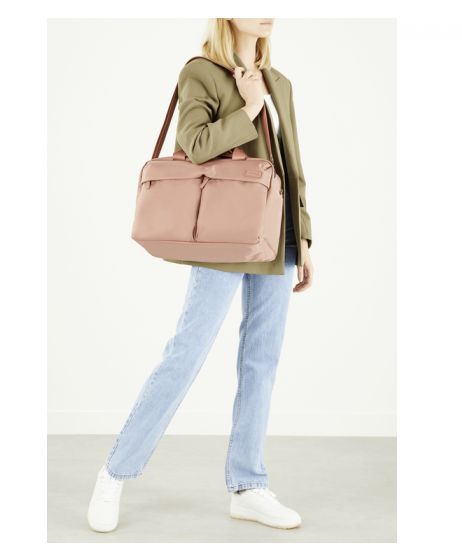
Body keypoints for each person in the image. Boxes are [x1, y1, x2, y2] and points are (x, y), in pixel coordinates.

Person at [88, 18, 315, 532]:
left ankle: (248, 485)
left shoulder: (280, 82)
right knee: (186, 354)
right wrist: (248, 109)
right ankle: (115, 471)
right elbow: (193, 143)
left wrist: (303, 237)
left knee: (261, 361)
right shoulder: (202, 72)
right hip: (223, 235)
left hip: (276, 235)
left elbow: (293, 166)